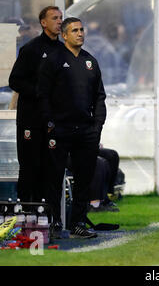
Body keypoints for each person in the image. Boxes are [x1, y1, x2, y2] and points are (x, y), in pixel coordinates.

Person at [37, 17, 106, 239]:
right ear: (64, 35)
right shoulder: (54, 60)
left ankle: (77, 224)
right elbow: (43, 95)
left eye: (82, 29)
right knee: (54, 177)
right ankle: (55, 222)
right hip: (60, 129)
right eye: (74, 30)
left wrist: (97, 126)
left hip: (86, 131)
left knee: (84, 179)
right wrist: (49, 124)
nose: (80, 33)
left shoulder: (90, 62)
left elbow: (99, 97)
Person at [8, 6, 63, 202]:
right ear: (43, 22)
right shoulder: (31, 49)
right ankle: (25, 212)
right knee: (30, 167)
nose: (59, 22)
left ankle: (49, 217)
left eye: (61, 18)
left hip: (54, 121)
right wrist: (40, 92)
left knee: (51, 168)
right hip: (31, 120)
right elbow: (15, 81)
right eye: (54, 18)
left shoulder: (64, 50)